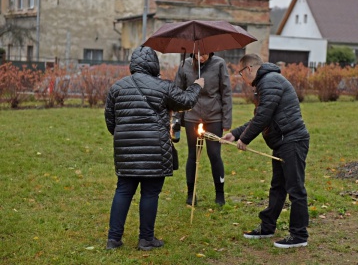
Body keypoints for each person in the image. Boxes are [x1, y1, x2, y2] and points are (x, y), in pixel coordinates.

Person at [104, 46, 204, 250]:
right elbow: (185, 102)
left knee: (123, 190)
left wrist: (126, 137)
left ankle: (113, 239)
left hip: (126, 150)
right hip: (155, 149)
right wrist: (196, 86)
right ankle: (146, 239)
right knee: (150, 193)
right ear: (153, 64)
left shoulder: (117, 88)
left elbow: (110, 122)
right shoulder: (163, 87)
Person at [222, 53, 310, 249]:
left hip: (292, 140)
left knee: (295, 189)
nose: (241, 77)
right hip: (283, 142)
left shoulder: (269, 82)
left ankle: (299, 235)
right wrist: (236, 134)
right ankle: (267, 227)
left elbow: (263, 116)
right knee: (277, 187)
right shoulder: (267, 82)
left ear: (250, 69)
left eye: (241, 72)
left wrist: (245, 139)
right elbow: (260, 117)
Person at [173, 52, 232, 206]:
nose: (202, 57)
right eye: (199, 54)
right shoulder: (184, 65)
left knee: (214, 154)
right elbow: (177, 93)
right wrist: (176, 119)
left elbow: (226, 92)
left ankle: (220, 194)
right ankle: (191, 193)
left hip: (214, 116)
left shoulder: (219, 64)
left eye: (205, 54)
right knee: (193, 154)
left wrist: (226, 119)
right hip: (192, 115)